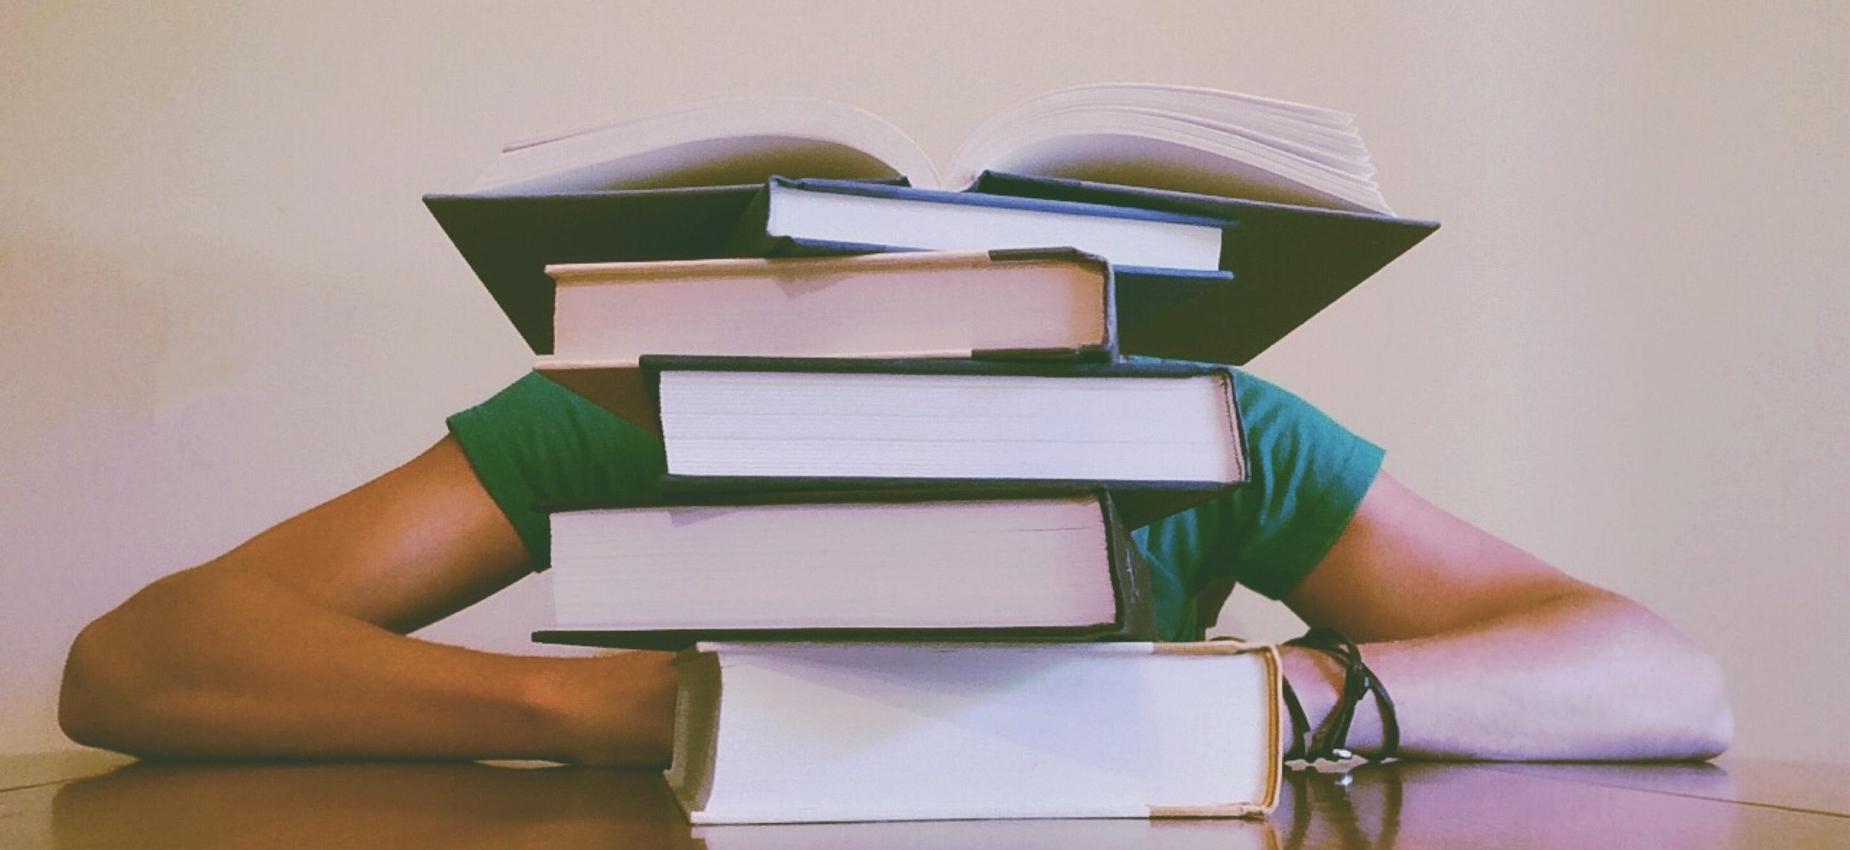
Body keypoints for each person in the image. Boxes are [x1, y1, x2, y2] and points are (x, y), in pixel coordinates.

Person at [57, 368, 1732, 765]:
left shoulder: (1199, 428)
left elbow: (1661, 673)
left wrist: (1286, 693)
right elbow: (138, 659)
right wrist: (637, 709)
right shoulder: (638, 404)